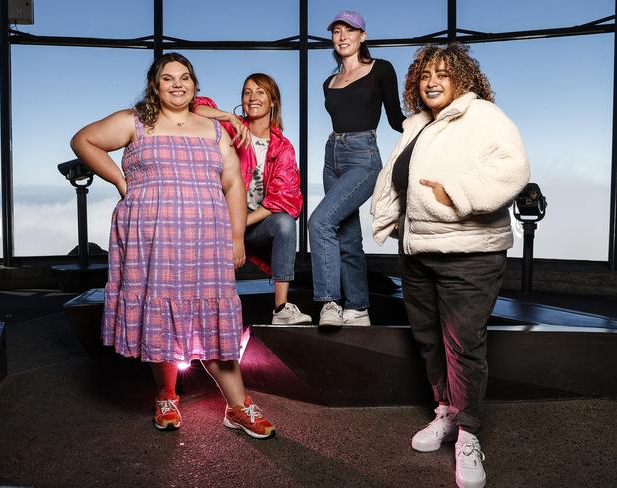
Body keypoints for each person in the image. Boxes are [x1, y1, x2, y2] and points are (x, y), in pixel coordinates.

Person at [70, 53, 275, 439]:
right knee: (160, 316)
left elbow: (233, 184)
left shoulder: (214, 131)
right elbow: (84, 141)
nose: (177, 84)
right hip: (152, 239)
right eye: (168, 78)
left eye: (185, 78)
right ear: (155, 85)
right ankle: (166, 395)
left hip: (206, 242)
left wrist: (235, 238)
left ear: (195, 86)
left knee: (215, 324)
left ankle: (238, 406)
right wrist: (120, 181)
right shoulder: (135, 121)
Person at [371, 43, 530, 488]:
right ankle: (445, 414)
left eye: (443, 73)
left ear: (462, 78)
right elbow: (398, 181)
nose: (432, 82)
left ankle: (468, 434)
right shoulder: (418, 124)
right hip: (419, 251)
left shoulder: (483, 116)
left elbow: (513, 168)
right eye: (424, 75)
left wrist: (455, 193)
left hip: (470, 253)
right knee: (428, 341)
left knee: (463, 346)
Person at [309, 10, 405, 327]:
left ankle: (329, 303)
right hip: (331, 155)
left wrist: (431, 128)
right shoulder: (329, 82)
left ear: (362, 36)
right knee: (347, 237)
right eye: (336, 31)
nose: (342, 36)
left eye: (349, 30)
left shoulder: (381, 70)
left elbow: (395, 118)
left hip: (363, 157)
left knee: (320, 222)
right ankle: (358, 308)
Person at [194, 73, 311, 325]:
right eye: (247, 92)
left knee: (284, 222)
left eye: (260, 92)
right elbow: (195, 107)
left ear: (273, 101)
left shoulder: (283, 147)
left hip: (252, 226)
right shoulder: (229, 129)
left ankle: (281, 308)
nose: (252, 97)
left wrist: (238, 225)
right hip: (218, 223)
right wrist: (228, 117)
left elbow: (285, 200)